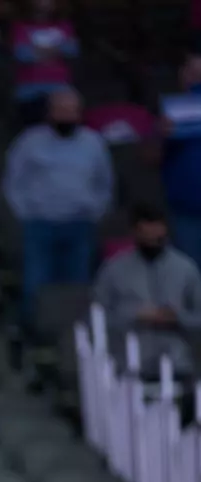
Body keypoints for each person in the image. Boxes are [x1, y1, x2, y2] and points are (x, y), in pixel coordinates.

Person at [4, 87, 114, 327]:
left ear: (79, 113)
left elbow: (105, 183)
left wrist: (96, 211)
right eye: (60, 110)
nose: (66, 116)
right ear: (49, 113)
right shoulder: (29, 142)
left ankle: (74, 338)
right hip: (40, 224)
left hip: (80, 224)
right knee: (36, 282)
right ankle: (35, 333)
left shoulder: (94, 143)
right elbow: (14, 182)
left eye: (71, 111)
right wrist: (25, 213)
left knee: (77, 283)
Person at [94, 204, 201, 378]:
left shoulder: (186, 269)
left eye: (157, 233)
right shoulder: (113, 270)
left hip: (177, 363)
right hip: (129, 365)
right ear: (135, 231)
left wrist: (177, 317)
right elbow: (96, 318)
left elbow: (198, 318)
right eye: (146, 233)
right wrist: (135, 315)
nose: (153, 237)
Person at [10, 0, 78, 128]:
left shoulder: (64, 25)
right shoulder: (21, 26)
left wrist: (38, 51)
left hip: (60, 85)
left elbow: (72, 50)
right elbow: (23, 55)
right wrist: (57, 50)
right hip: (29, 87)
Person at [162, 54, 201, 272]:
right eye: (193, 73)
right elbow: (149, 158)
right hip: (186, 211)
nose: (197, 79)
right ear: (182, 76)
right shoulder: (172, 112)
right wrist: (161, 133)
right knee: (188, 274)